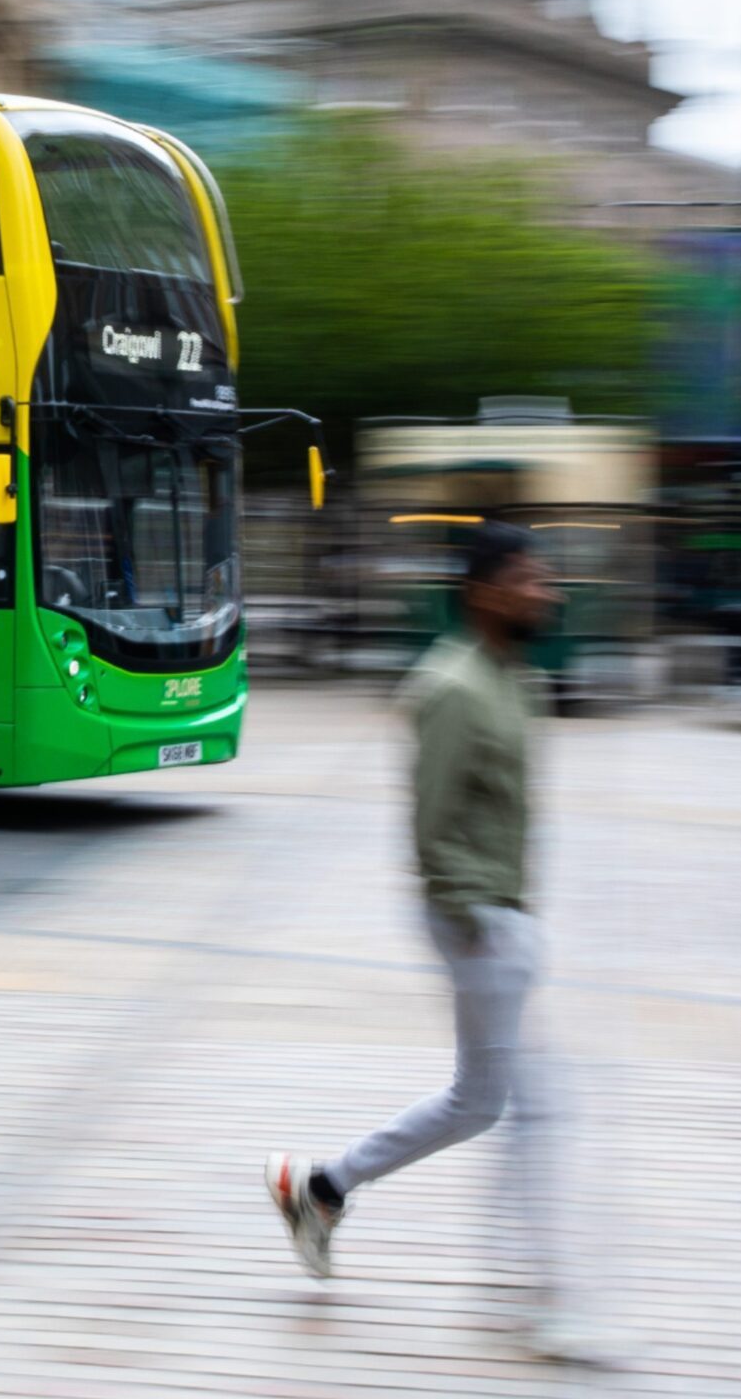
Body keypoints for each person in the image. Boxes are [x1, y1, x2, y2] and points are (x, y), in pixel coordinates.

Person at [264, 523, 592, 1355]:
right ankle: (534, 1293)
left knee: (481, 1104)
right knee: (540, 1109)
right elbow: (431, 824)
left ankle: (325, 1188)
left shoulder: (514, 679)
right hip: (478, 919)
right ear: (482, 591)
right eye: (529, 578)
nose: (545, 591)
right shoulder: (451, 687)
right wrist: (475, 921)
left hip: (500, 914)